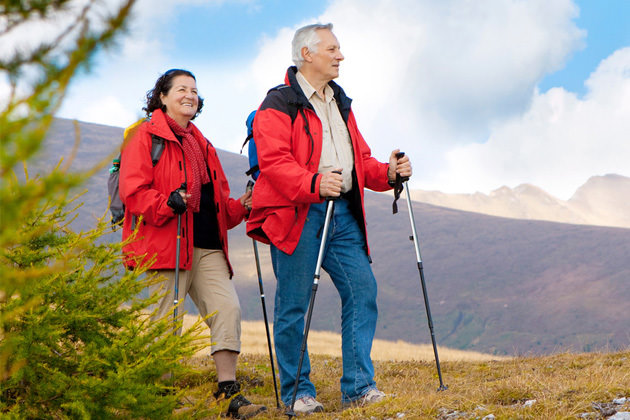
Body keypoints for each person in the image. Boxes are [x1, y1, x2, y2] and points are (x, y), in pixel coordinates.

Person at [247, 23, 412, 414]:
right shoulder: (278, 104)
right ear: (307, 54)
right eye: (333, 49)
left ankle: (358, 386)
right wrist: (314, 183)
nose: (340, 56)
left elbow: (359, 161)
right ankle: (297, 393)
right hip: (296, 214)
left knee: (362, 290)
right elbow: (273, 163)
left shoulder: (340, 102)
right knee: (293, 305)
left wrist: (388, 173)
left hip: (342, 215)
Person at [119, 69, 266, 419]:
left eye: (195, 91)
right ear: (163, 97)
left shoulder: (201, 143)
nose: (190, 95)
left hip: (206, 245)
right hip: (163, 244)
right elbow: (133, 192)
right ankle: (158, 397)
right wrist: (167, 202)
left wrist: (242, 206)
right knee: (164, 321)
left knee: (227, 309)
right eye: (181, 89)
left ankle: (227, 392)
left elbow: (217, 207)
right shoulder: (144, 137)